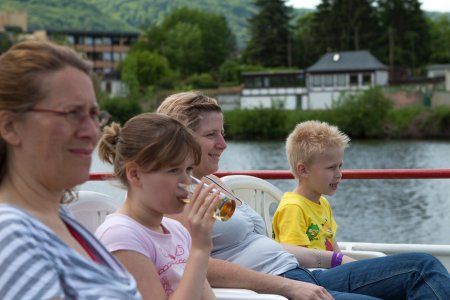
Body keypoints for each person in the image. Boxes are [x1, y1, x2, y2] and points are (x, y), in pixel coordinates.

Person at [157, 90, 450, 300]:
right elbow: (192, 266)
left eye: (223, 133)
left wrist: (332, 259)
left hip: (300, 272)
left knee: (421, 266)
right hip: (276, 287)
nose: (223, 143)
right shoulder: (174, 195)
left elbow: (261, 245)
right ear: (179, 137)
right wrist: (285, 287)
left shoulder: (210, 183)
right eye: (212, 135)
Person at [0, 41, 140, 298]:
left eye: (94, 114)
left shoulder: (61, 218)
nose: (92, 131)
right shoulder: (10, 236)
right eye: (72, 113)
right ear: (10, 126)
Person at [95, 112, 219, 299]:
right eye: (173, 170)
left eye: (188, 169)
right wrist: (200, 249)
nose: (186, 181)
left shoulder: (176, 230)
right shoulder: (120, 236)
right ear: (135, 174)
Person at [272, 121, 351, 264]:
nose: (339, 174)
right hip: (311, 280)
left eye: (340, 166)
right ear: (303, 170)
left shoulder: (323, 203)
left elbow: (332, 245)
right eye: (331, 167)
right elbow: (295, 262)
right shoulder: (293, 209)